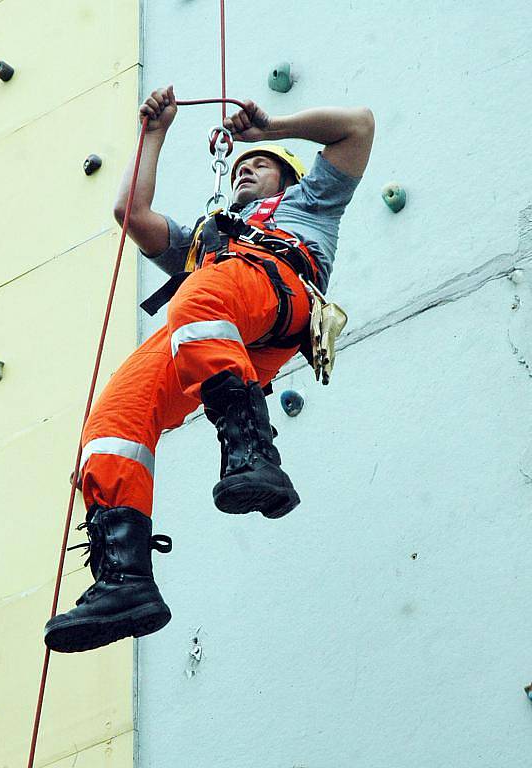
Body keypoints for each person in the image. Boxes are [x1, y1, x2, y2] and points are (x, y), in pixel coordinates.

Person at [44, 85, 375, 653]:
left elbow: (358, 125)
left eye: (261, 166)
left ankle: (253, 454)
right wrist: (153, 135)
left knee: (196, 299)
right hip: (217, 319)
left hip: (276, 293)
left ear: (290, 179)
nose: (245, 171)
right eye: (240, 166)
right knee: (112, 421)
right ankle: (124, 579)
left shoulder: (310, 204)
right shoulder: (207, 237)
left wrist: (269, 131)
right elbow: (131, 214)